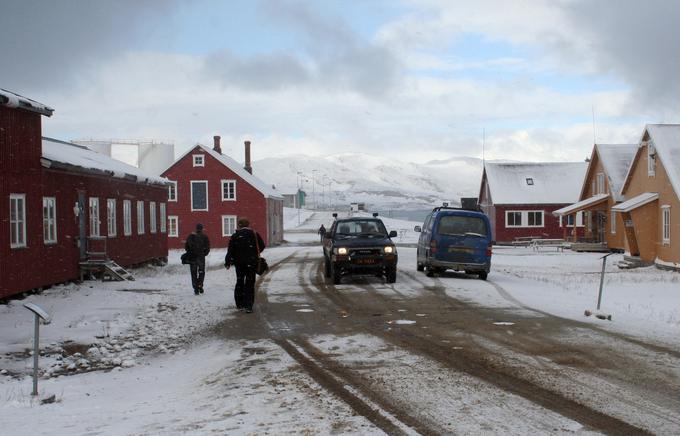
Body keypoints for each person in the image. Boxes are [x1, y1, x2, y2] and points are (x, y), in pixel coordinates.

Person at [224, 218, 265, 313]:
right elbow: (262, 246)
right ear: (248, 224)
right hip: (251, 262)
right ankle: (248, 305)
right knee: (250, 283)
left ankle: (239, 304)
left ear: (239, 225)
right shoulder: (254, 234)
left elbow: (230, 250)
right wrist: (254, 253)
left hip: (239, 263)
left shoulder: (235, 235)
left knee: (240, 281)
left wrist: (228, 261)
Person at [185, 223, 210, 295]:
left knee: (193, 273)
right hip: (201, 257)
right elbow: (207, 247)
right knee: (201, 271)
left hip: (192, 257)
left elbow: (186, 247)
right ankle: (200, 284)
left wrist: (190, 252)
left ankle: (195, 288)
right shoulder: (205, 237)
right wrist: (204, 253)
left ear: (196, 228)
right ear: (202, 229)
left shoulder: (191, 236)